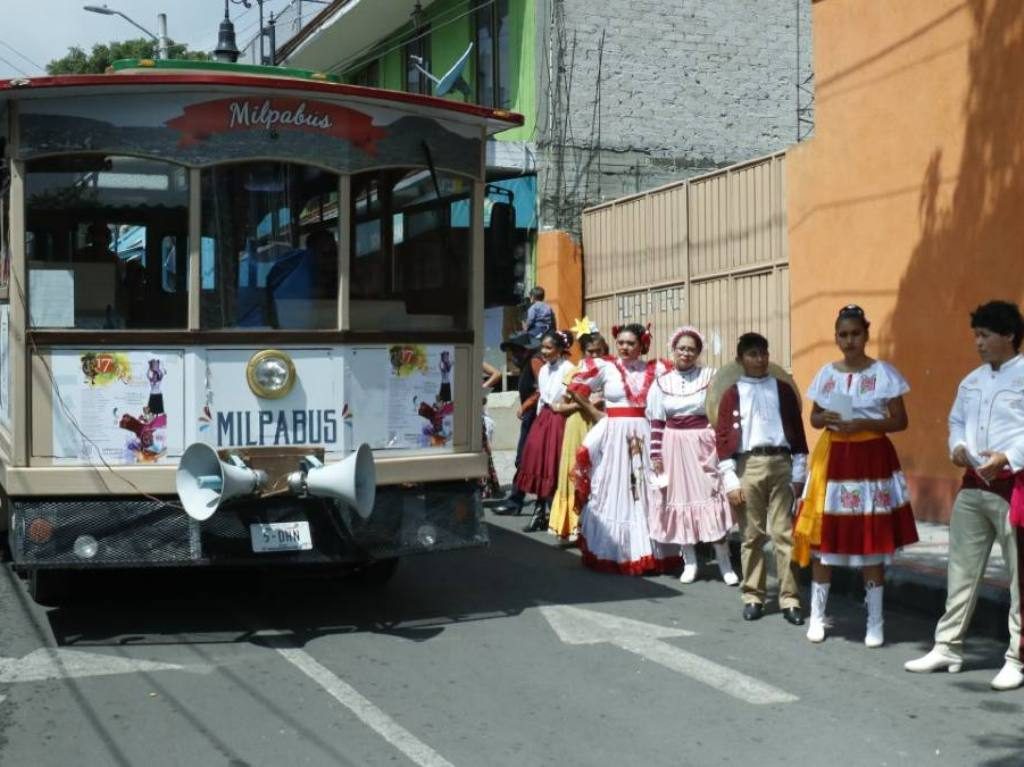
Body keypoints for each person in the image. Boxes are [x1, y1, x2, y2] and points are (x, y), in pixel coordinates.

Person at [905, 300, 1024, 690]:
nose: (979, 343)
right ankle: (947, 646)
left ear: (1009, 335)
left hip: (1014, 487)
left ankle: (1016, 658)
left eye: (985, 335)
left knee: (1019, 576)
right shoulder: (970, 381)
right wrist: (956, 445)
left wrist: (1008, 455)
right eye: (976, 335)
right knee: (961, 570)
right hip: (973, 485)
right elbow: (956, 421)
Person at [794, 305, 918, 646]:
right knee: (826, 540)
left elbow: (899, 421)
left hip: (871, 460)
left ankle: (875, 621)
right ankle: (818, 617)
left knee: (870, 539)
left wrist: (864, 423)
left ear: (866, 334)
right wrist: (827, 417)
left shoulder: (885, 374)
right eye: (843, 335)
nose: (849, 341)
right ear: (836, 338)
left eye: (855, 334)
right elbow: (815, 419)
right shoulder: (826, 374)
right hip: (834, 459)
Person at [569, 323, 680, 575]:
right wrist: (597, 413)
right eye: (621, 342)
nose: (625, 347)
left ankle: (650, 551)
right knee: (615, 488)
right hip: (615, 435)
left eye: (631, 343)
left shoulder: (657, 369)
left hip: (645, 433)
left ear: (642, 345)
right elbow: (575, 386)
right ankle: (614, 551)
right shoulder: (606, 366)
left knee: (645, 489)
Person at [715, 332, 808, 625]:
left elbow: (797, 431)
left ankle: (790, 599)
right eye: (753, 354)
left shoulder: (782, 389)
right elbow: (722, 437)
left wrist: (799, 470)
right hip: (748, 465)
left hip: (781, 462)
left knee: (784, 534)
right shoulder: (732, 392)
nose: (759, 359)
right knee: (751, 535)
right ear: (740, 359)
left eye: (763, 353)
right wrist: (729, 478)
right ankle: (753, 595)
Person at [649, 326, 737, 585]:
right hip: (673, 445)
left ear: (698, 352)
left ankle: (725, 563)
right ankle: (690, 561)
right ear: (673, 350)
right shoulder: (662, 382)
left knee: (713, 497)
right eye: (681, 348)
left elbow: (721, 413)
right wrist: (655, 453)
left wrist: (718, 445)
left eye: (691, 349)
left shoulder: (710, 377)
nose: (685, 353)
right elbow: (657, 420)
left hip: (703, 443)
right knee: (680, 499)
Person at [548, 331, 609, 541]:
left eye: (598, 351)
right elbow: (559, 407)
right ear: (583, 353)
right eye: (590, 351)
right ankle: (575, 525)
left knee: (601, 473)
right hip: (577, 425)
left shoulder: (613, 370)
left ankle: (601, 528)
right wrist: (584, 403)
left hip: (604, 425)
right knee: (577, 472)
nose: (594, 355)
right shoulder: (576, 372)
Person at [516, 330, 575, 532]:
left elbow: (569, 397)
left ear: (560, 349)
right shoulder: (543, 370)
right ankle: (539, 511)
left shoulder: (569, 368)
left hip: (559, 418)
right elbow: (542, 395)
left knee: (554, 464)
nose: (544, 351)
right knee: (537, 462)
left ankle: (558, 513)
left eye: (549, 347)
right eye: (543, 347)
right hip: (544, 417)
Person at [492, 332, 544, 515]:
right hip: (530, 417)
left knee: (525, 458)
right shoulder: (526, 364)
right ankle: (518, 500)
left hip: (536, 417)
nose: (511, 357)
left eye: (513, 352)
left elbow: (543, 388)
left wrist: (526, 405)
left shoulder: (535, 361)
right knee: (523, 459)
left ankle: (517, 501)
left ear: (522, 351)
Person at [479, 361, 502, 499]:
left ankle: (484, 486)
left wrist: (481, 389)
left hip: (473, 409)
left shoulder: (471, 357)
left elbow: (496, 374)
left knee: (480, 448)